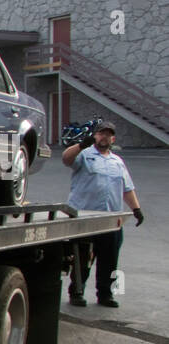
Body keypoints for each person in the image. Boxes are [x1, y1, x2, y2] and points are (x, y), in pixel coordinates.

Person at [62, 121, 143, 307]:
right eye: (101, 133)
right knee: (83, 258)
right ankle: (77, 292)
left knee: (109, 260)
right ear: (95, 135)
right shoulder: (84, 155)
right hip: (85, 217)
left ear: (113, 138)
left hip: (110, 220)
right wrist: (81, 144)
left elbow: (127, 188)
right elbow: (66, 159)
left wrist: (136, 209)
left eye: (108, 134)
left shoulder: (118, 162)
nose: (104, 137)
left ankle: (105, 295)